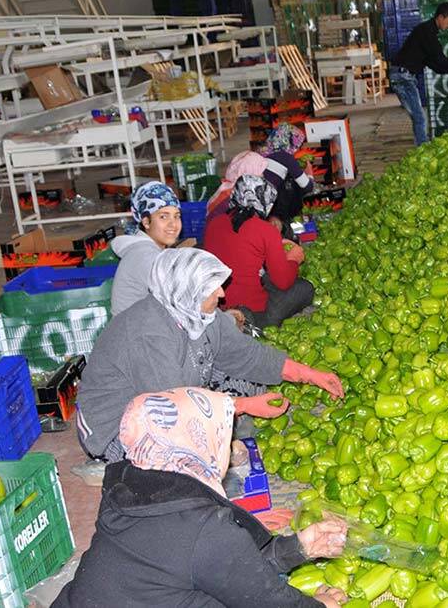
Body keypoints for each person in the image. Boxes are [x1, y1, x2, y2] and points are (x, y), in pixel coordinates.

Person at [55, 387, 349, 608]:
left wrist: (298, 547)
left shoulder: (128, 486)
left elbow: (221, 567)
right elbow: (266, 600)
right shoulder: (206, 528)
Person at [76, 247, 341, 463]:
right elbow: (172, 406)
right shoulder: (149, 335)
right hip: (115, 427)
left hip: (174, 393)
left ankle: (223, 428)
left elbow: (248, 356)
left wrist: (310, 375)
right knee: (182, 452)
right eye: (211, 287)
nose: (222, 293)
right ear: (187, 289)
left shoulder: (197, 313)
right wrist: (244, 406)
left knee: (249, 382)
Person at [204, 175, 314, 328]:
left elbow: (240, 250)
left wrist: (275, 245)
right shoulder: (265, 230)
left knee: (265, 277)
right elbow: (283, 282)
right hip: (255, 314)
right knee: (305, 288)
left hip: (218, 306)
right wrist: (294, 259)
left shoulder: (214, 224)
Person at [389, 2, 448, 146]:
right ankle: (423, 150)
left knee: (418, 116)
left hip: (405, 76)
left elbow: (435, 64)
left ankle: (422, 147)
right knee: (419, 117)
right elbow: (439, 59)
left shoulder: (428, 33)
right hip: (402, 77)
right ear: (440, 17)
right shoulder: (426, 32)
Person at [207, 124, 315, 221]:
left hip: (239, 198)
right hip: (256, 205)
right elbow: (307, 187)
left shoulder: (261, 150)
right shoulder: (285, 158)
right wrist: (309, 173)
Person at [110, 181, 182, 315]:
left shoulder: (149, 250)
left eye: (177, 216)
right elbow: (183, 301)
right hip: (135, 333)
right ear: (146, 222)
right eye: (163, 216)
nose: (173, 224)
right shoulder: (145, 256)